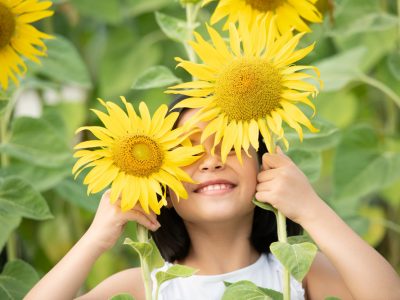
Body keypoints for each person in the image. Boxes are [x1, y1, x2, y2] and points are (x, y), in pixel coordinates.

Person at [25, 100, 400, 300]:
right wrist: (95, 239)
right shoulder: (146, 287)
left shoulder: (298, 272)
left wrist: (311, 208)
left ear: (263, 167)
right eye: (187, 151)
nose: (212, 161)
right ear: (163, 189)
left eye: (230, 144)